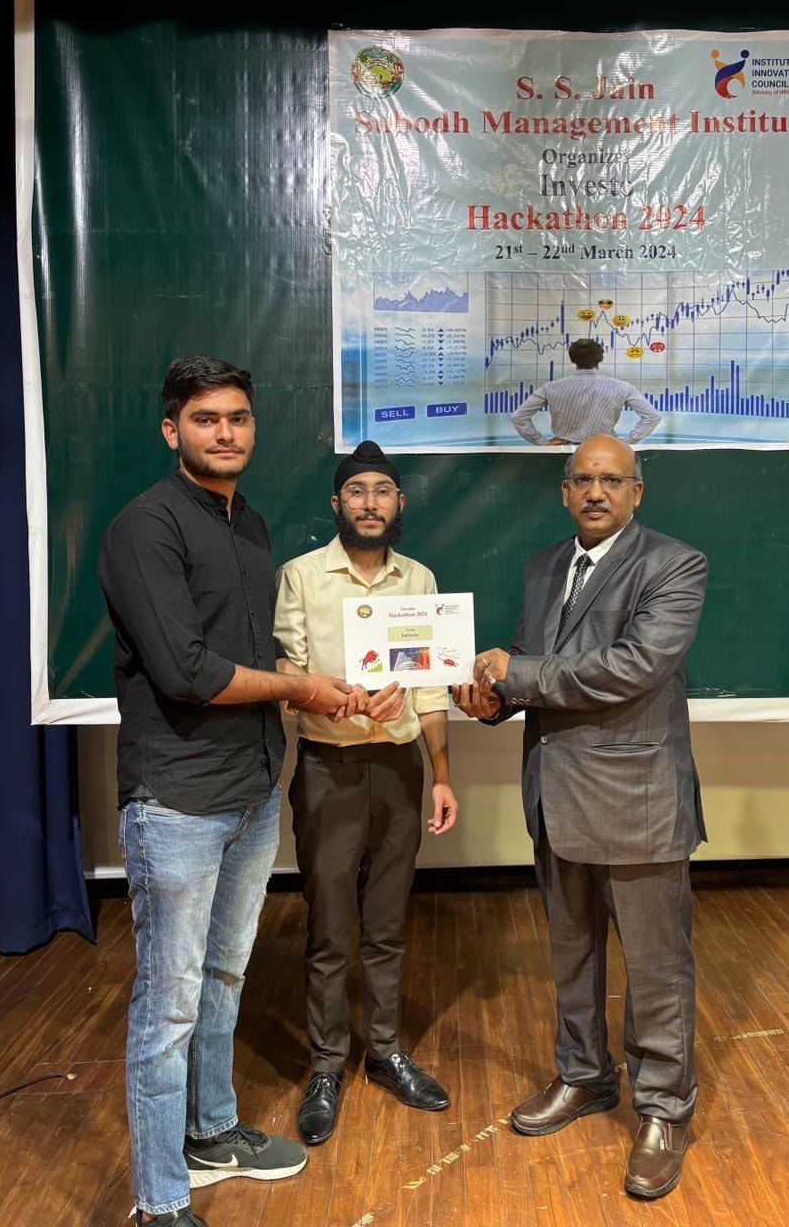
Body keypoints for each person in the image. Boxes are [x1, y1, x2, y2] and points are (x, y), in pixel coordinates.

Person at [99, 356, 392, 1227]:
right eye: (205, 419)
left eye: (238, 418)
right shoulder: (144, 528)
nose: (225, 433)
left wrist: (337, 687)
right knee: (168, 1007)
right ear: (172, 430)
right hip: (178, 801)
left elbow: (260, 660)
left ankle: (213, 1132)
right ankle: (160, 1202)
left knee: (224, 975)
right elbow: (188, 673)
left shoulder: (250, 524)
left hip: (255, 788)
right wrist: (304, 688)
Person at [453, 433, 706, 1201]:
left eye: (613, 480)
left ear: (637, 492)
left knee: (657, 970)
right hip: (554, 797)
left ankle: (662, 1110)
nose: (597, 492)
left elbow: (634, 667)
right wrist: (489, 700)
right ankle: (585, 1076)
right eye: (583, 479)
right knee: (572, 957)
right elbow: (529, 667)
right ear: (564, 491)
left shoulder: (675, 564)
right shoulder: (543, 566)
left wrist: (517, 673)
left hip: (639, 802)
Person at [275, 439, 459, 1148]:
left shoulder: (421, 579)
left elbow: (432, 688)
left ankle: (383, 1052)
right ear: (337, 503)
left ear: (399, 503)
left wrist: (441, 775)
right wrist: (332, 697)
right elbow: (288, 676)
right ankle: (327, 1064)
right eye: (357, 491)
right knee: (329, 924)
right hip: (329, 766)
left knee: (386, 922)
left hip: (401, 768)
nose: (370, 503)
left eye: (383, 491)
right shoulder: (301, 577)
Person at [509, 337, 662, 446]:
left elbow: (518, 417)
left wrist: (541, 443)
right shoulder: (622, 387)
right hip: (604, 449)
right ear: (600, 359)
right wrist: (626, 442)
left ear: (572, 359)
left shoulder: (550, 388)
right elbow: (653, 416)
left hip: (563, 451)